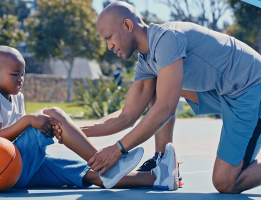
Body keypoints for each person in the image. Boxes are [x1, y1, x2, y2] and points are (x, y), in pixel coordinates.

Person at [78, 1, 261, 194]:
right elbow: (127, 115)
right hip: (227, 93)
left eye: (109, 37)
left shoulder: (167, 39)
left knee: (226, 182)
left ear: (128, 25)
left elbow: (165, 108)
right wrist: (74, 131)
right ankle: (163, 160)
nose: (109, 46)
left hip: (251, 90)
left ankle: (164, 158)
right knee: (157, 85)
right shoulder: (146, 61)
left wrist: (117, 150)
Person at [0, 45, 170, 190]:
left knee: (92, 174)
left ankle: (157, 177)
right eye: (15, 74)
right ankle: (106, 161)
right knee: (53, 113)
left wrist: (35, 122)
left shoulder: (17, 98)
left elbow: (22, 134)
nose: (21, 78)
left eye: (23, 74)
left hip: (18, 169)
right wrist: (30, 120)